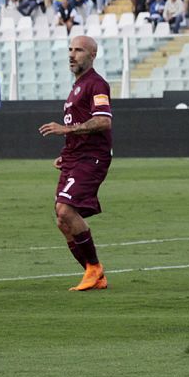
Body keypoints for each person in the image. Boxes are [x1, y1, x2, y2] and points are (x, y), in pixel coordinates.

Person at [38, 36, 112, 292]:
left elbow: (103, 121)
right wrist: (66, 150)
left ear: (92, 54)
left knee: (66, 209)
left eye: (78, 50)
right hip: (75, 156)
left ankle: (94, 268)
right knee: (62, 219)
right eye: (70, 49)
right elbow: (81, 126)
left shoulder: (97, 84)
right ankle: (93, 274)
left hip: (92, 156)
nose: (72, 54)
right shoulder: (76, 87)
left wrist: (66, 129)